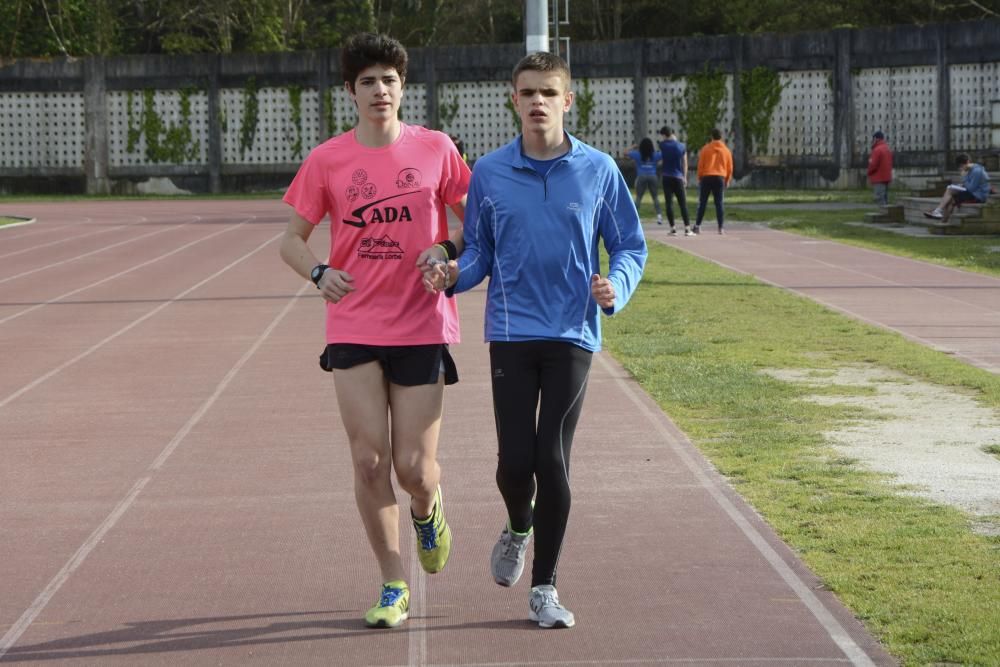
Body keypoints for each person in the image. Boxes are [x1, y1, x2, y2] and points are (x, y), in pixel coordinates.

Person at [424, 51, 647, 629]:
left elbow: (630, 245)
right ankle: (518, 525)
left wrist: (614, 287)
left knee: (552, 458)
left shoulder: (598, 170)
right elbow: (479, 254)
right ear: (514, 99)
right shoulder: (491, 174)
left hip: (573, 333)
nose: (539, 102)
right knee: (513, 463)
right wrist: (453, 277)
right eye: (529, 93)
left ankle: (544, 587)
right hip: (510, 331)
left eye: (549, 92)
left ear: (567, 101)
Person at [279, 32, 470, 630]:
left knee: (414, 467)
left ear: (402, 86)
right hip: (355, 323)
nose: (379, 90)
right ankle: (393, 583)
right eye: (367, 81)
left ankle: (427, 505)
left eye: (389, 79)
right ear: (350, 92)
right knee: (367, 460)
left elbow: (476, 226)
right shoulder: (328, 159)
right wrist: (319, 271)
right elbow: (291, 238)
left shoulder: (437, 149)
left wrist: (446, 248)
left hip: (421, 321)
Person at [924, 153, 991, 223]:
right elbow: (970, 185)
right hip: (974, 193)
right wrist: (961, 185)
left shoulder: (977, 171)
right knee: (950, 195)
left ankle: (939, 213)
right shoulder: (970, 170)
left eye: (962, 166)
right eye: (960, 167)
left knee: (950, 193)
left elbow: (971, 188)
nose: (961, 168)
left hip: (979, 196)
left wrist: (964, 177)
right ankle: (941, 218)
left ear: (968, 162)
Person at [693, 128, 734, 235]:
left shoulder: (705, 149)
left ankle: (697, 225)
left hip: (706, 176)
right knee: (719, 203)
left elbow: (700, 165)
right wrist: (728, 179)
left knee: (703, 202)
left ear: (711, 137)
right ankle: (720, 228)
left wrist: (699, 177)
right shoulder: (726, 150)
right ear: (721, 137)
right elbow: (730, 167)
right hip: (720, 177)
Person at [658, 126, 692, 236]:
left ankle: (673, 228)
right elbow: (685, 163)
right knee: (682, 203)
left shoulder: (662, 145)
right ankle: (687, 228)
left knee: (669, 203)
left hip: (666, 177)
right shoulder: (681, 146)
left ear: (664, 135)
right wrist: (685, 177)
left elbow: (662, 157)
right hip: (678, 177)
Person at [621, 137, 663, 225]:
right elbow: (664, 155)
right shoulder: (655, 155)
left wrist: (633, 146)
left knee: (639, 198)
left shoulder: (637, 154)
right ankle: (659, 217)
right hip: (652, 176)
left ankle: (634, 217)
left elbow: (624, 153)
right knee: (655, 197)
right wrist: (658, 163)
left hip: (641, 176)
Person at [867, 130, 893, 206]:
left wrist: (869, 172)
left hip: (878, 177)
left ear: (876, 139)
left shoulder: (877, 150)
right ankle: (887, 214)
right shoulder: (887, 148)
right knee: (885, 198)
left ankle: (884, 216)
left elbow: (873, 164)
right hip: (886, 177)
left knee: (879, 198)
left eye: (873, 139)